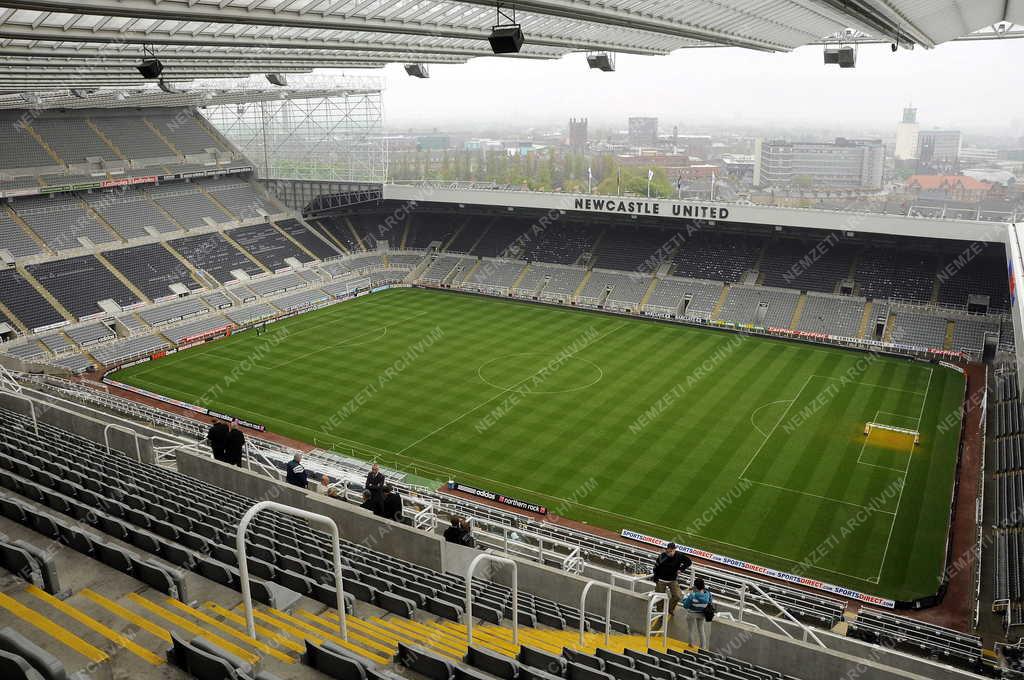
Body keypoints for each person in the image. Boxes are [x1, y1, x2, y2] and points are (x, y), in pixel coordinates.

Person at [652, 542, 692, 616]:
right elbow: (656, 567)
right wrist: (656, 578)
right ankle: (660, 611)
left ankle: (669, 609)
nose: (670, 553)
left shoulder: (679, 555)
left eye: (672, 551)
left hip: (673, 580)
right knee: (659, 597)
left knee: (677, 596)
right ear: (666, 549)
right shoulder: (662, 556)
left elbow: (689, 562)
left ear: (675, 550)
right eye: (669, 551)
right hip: (661, 580)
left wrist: (681, 569)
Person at [682, 577, 713, 649]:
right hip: (702, 614)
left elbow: (685, 606)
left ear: (695, 586)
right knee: (701, 630)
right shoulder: (708, 594)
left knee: (691, 630)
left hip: (691, 614)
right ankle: (703, 647)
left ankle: (691, 644)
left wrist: (685, 595)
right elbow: (710, 603)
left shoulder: (692, 595)